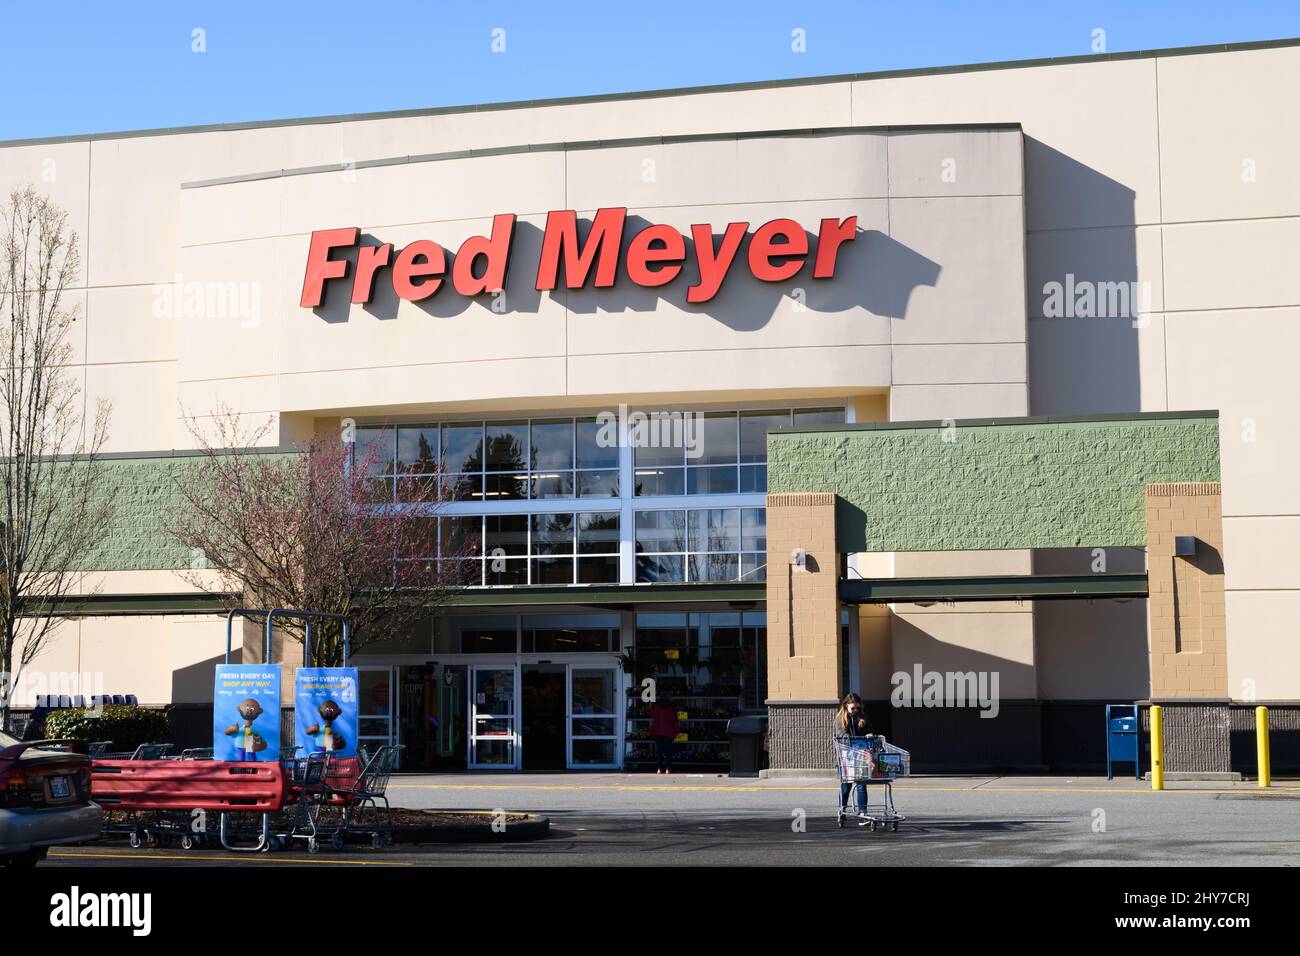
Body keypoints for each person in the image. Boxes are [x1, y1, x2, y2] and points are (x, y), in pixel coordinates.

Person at [836, 693, 871, 816]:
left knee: (861, 785)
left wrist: (869, 736)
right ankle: (842, 809)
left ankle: (863, 812)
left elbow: (868, 730)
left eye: (858, 708)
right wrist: (851, 739)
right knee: (846, 786)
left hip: (861, 756)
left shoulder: (862, 717)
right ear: (846, 706)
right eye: (853, 708)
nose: (856, 711)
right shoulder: (840, 718)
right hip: (846, 757)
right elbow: (841, 734)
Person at [649, 691, 680, 775]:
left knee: (659, 750)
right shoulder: (671, 706)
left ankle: (659, 769)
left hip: (657, 730)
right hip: (668, 731)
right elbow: (674, 719)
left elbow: (651, 715)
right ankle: (667, 769)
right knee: (668, 751)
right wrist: (677, 730)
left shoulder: (656, 705)